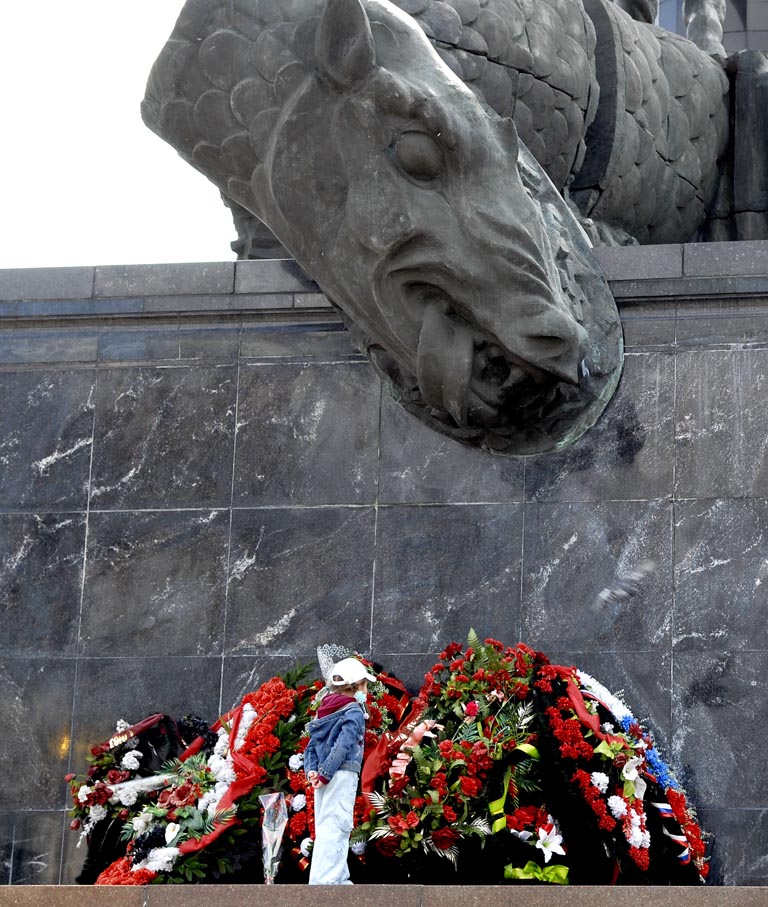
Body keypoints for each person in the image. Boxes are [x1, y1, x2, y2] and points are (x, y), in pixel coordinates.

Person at [304, 657, 376, 884]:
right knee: (338, 825)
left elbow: (311, 746)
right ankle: (329, 881)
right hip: (342, 773)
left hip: (325, 775)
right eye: (364, 684)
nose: (366, 690)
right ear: (354, 687)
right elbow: (343, 745)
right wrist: (324, 774)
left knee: (326, 825)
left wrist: (313, 772)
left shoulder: (324, 710)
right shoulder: (353, 711)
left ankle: (332, 876)